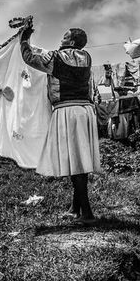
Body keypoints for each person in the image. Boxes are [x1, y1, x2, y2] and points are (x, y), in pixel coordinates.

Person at [21, 23, 100, 223]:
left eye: (65, 37)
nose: (61, 39)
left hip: (67, 111)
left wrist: (24, 39)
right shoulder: (86, 58)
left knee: (76, 163)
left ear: (71, 41)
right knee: (79, 159)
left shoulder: (54, 58)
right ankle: (75, 208)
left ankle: (87, 213)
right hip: (85, 110)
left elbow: (29, 58)